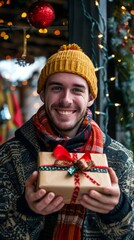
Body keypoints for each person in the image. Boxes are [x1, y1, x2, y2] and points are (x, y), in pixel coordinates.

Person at [0, 43, 133, 240]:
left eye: (77, 90)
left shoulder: (120, 159)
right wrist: (26, 211)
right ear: (43, 94)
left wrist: (118, 212)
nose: (66, 100)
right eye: (57, 88)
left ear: (90, 98)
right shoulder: (9, 156)